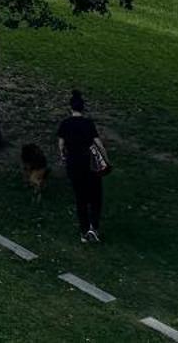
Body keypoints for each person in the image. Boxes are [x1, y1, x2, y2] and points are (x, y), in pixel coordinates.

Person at [56, 89, 110, 243]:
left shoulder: (65, 124)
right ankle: (94, 227)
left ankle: (84, 230)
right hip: (90, 164)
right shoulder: (88, 124)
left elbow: (61, 145)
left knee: (80, 198)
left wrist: (64, 157)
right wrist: (106, 160)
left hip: (74, 164)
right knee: (95, 197)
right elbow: (98, 143)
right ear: (83, 108)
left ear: (70, 108)